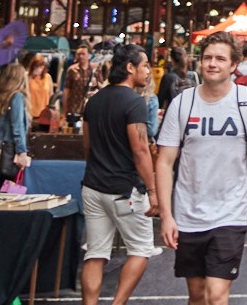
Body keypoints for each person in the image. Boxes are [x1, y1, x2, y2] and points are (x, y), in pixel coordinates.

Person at [156, 33, 247, 305]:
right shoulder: (182, 103)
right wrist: (166, 215)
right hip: (188, 213)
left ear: (233, 65)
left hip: (230, 213)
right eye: (207, 57)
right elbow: (163, 161)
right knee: (197, 295)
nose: (212, 64)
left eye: (220, 58)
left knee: (217, 295)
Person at [81, 43, 159, 305]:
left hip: (92, 187)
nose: (149, 71)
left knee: (95, 253)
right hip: (124, 189)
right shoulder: (135, 102)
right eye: (145, 65)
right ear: (129, 68)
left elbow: (87, 146)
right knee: (140, 249)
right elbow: (140, 152)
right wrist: (153, 190)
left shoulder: (94, 100)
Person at [0, 62, 31, 191]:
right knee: (10, 193)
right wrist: (22, 152)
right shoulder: (17, 97)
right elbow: (17, 128)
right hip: (9, 152)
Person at [65, 44, 97, 127]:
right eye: (79, 54)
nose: (81, 56)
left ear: (89, 55)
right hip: (74, 108)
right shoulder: (72, 70)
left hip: (90, 107)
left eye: (83, 54)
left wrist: (96, 83)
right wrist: (65, 109)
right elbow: (66, 89)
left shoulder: (95, 69)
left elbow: (102, 87)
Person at [26, 53, 54, 129]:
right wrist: (31, 75)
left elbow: (52, 95)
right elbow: (23, 90)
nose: (39, 69)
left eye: (41, 66)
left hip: (45, 114)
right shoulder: (27, 76)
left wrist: (54, 111)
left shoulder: (47, 77)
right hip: (31, 114)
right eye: (36, 66)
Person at [158, 46, 190, 112]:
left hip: (172, 115)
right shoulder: (192, 78)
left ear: (172, 60)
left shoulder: (168, 78)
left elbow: (160, 102)